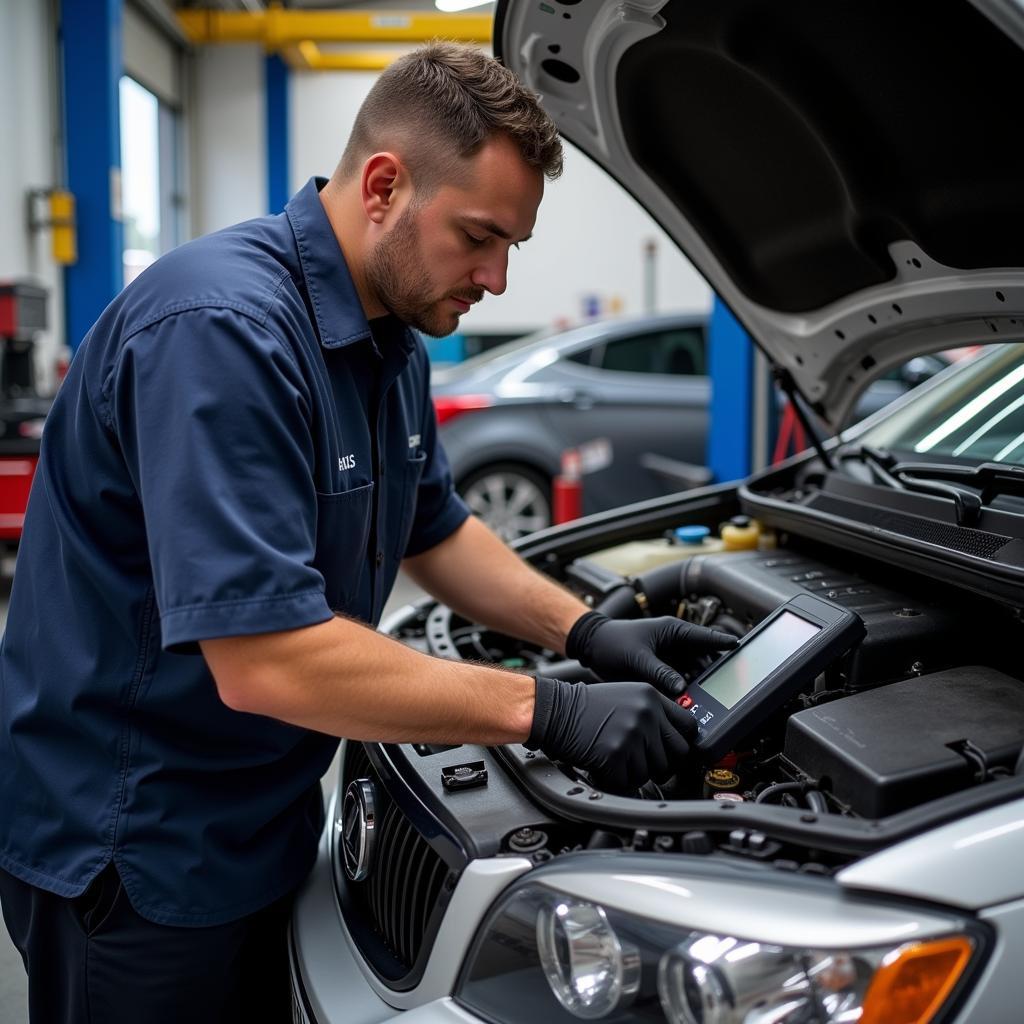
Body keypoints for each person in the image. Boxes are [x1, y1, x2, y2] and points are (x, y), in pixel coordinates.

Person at [0, 43, 734, 1023]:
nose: (497, 278)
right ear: (384, 183)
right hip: (139, 854)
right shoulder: (223, 333)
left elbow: (436, 529)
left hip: (257, 826)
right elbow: (268, 663)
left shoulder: (388, 337)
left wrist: (588, 632)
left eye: (511, 244)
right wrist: (547, 711)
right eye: (479, 236)